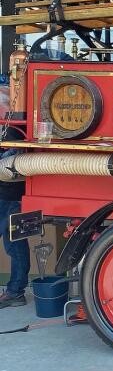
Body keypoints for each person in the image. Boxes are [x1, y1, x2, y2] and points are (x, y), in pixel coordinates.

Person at [0, 127, 31, 310]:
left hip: (9, 196)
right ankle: (15, 292)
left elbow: (16, 154)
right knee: (16, 244)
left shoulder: (13, 126)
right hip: (12, 196)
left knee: (16, 245)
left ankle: (15, 292)